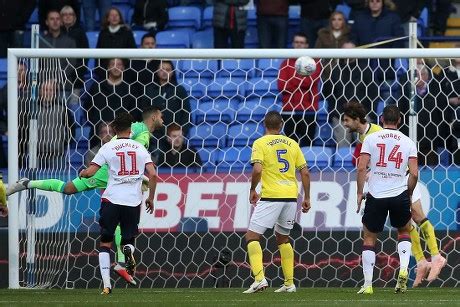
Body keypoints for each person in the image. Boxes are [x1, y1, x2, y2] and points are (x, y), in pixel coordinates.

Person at [7, 106, 163, 285]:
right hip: (107, 175)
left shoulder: (135, 129)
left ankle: (120, 264)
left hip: (116, 178)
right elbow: (128, 156)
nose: (163, 119)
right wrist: (139, 178)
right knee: (68, 189)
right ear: (153, 117)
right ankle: (27, 183)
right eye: (161, 116)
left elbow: (123, 152)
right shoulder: (140, 132)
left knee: (120, 218)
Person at [343, 101, 447, 288]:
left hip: (401, 178)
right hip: (396, 181)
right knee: (408, 223)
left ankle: (436, 256)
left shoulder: (375, 133)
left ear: (357, 119)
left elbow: (384, 159)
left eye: (347, 120)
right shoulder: (363, 136)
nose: (344, 124)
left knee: (416, 216)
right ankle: (422, 261)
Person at [79, 112, 158, 294]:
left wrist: (82, 173)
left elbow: (91, 172)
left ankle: (106, 285)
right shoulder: (140, 148)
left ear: (114, 129)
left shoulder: (108, 147)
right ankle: (128, 251)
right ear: (131, 130)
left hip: (112, 199)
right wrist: (151, 198)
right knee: (128, 239)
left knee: (105, 243)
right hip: (132, 201)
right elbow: (153, 175)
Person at [243, 111, 311, 293]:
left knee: (252, 236)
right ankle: (289, 283)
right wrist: (307, 197)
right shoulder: (293, 143)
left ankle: (259, 279)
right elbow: (305, 172)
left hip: (271, 195)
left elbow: (257, 170)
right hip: (290, 196)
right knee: (283, 238)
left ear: (264, 124)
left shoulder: (260, 143)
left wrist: (252, 189)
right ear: (281, 125)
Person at [356, 104, 417, 294]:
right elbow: (414, 173)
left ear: (382, 119)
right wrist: (408, 192)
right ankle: (405, 269)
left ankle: (367, 285)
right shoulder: (408, 141)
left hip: (376, 194)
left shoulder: (371, 138)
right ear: (399, 120)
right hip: (399, 193)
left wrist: (359, 193)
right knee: (404, 230)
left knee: (369, 237)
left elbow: (361, 168)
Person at [278, 33, 321, 147]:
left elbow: (310, 81)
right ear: (293, 44)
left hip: (309, 109)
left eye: (301, 43)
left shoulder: (314, 62)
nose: (299, 45)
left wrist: (292, 81)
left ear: (306, 45)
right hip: (289, 110)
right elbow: (282, 86)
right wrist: (302, 79)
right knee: (290, 146)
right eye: (296, 42)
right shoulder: (285, 63)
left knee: (308, 146)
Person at [96, 7, 136, 73]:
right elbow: (98, 54)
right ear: (108, 18)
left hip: (125, 71)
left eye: (116, 15)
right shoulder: (103, 33)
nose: (114, 17)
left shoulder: (127, 32)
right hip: (105, 71)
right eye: (112, 15)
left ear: (120, 18)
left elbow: (133, 52)